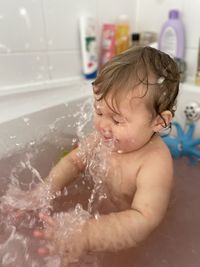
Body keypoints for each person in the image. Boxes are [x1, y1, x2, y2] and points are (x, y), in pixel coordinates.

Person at [33, 46, 180, 265]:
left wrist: (89, 234)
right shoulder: (101, 138)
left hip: (134, 235)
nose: (103, 125)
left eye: (117, 120)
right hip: (106, 215)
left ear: (159, 121)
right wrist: (43, 190)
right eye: (99, 111)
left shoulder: (155, 163)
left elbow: (144, 219)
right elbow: (74, 162)